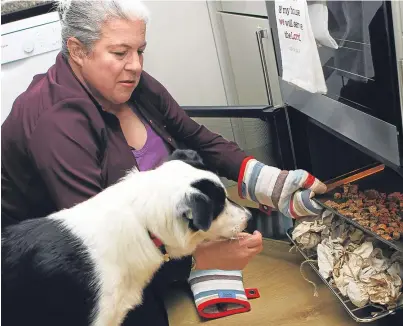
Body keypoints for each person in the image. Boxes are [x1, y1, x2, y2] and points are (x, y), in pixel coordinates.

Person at [1, 0, 326, 324]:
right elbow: (103, 247)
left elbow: (196, 136)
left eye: (140, 50)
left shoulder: (129, 85)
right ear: (78, 50)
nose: (135, 65)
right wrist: (199, 258)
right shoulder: (56, 125)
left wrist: (269, 182)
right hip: (61, 272)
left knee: (266, 230)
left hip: (165, 227)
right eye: (119, 53)